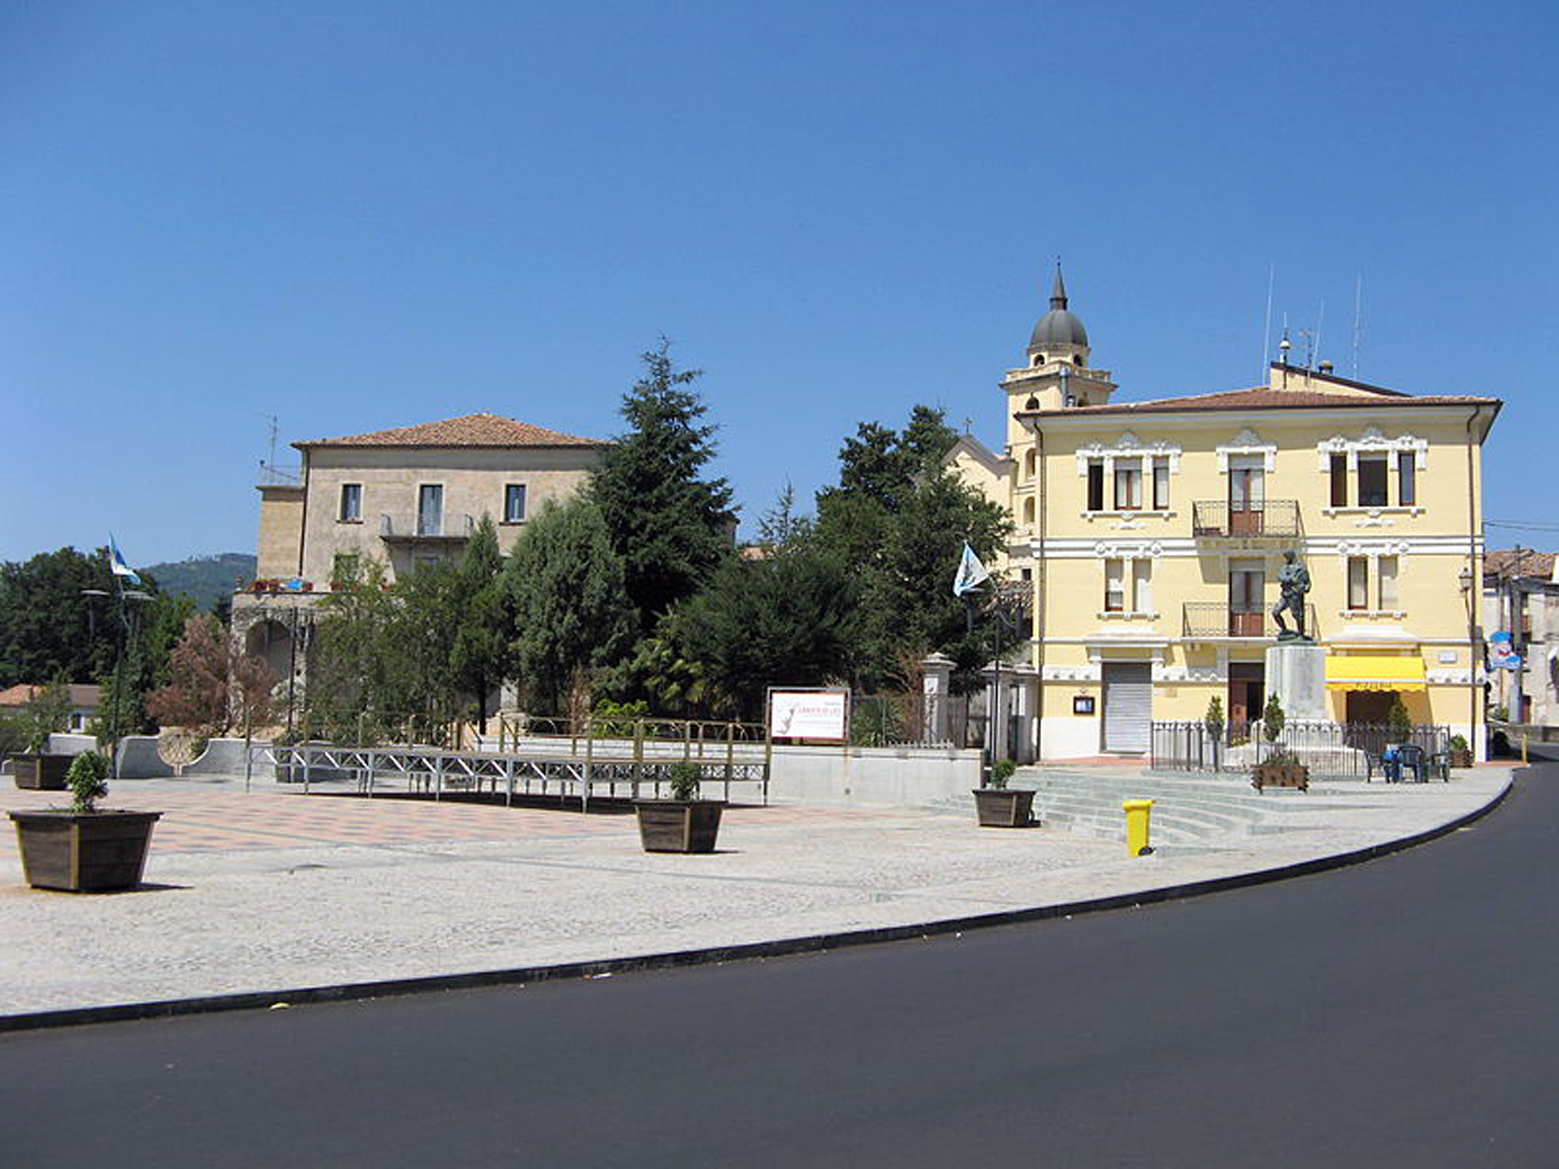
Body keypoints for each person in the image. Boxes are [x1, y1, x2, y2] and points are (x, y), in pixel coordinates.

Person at [1271, 548, 1311, 640]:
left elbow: (1307, 583)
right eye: (1285, 556)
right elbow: (1280, 577)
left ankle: (1301, 634)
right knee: (1275, 612)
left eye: (1287, 556)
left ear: (1292, 556)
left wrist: (1303, 588)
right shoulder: (1284, 568)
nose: (1286, 558)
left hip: (1295, 594)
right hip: (1285, 594)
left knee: (1297, 615)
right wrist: (1290, 579)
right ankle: (1284, 630)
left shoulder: (1300, 569)